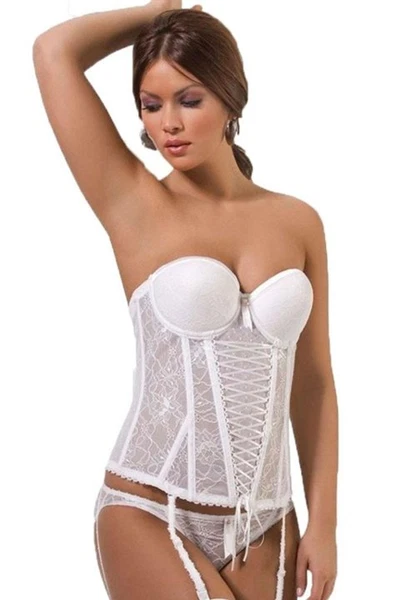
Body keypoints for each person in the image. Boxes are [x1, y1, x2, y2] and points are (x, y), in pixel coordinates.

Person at [32, 2, 338, 599]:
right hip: (149, 507)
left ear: (230, 98)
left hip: (268, 523)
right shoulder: (135, 204)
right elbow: (52, 52)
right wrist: (158, 15)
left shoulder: (299, 222)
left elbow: (314, 381)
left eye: (189, 100)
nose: (167, 124)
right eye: (151, 105)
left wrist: (323, 522)